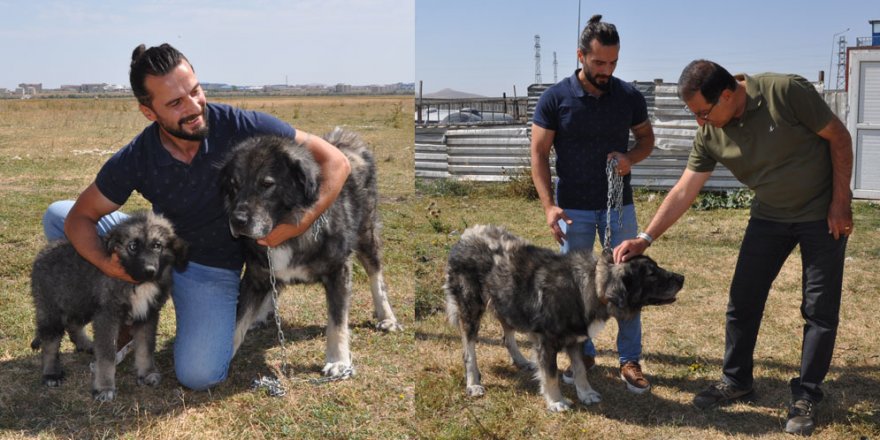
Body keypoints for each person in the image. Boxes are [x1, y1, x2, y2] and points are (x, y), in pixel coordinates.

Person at [42, 43, 351, 391]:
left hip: (210, 269)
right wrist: (106, 262)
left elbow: (336, 162)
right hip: (160, 249)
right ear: (148, 111)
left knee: (200, 374)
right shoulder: (139, 155)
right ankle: (125, 313)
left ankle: (167, 307)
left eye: (195, 91)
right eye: (175, 103)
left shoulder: (243, 125)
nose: (193, 108)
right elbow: (79, 217)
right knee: (58, 215)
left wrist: (300, 222)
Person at [614, 59, 853, 436]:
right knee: (742, 300)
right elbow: (684, 190)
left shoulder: (784, 92)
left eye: (703, 112)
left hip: (822, 215)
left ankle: (806, 394)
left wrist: (841, 203)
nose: (700, 122)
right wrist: (645, 238)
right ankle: (737, 378)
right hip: (769, 218)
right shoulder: (710, 132)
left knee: (819, 309)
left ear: (728, 94)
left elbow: (839, 137)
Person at [530, 14, 656, 394]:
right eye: (599, 62)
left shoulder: (629, 97)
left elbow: (647, 140)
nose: (607, 70)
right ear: (581, 55)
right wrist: (549, 207)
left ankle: (630, 359)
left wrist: (631, 158)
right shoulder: (556, 98)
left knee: (629, 279)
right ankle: (582, 352)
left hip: (619, 208)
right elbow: (538, 154)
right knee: (577, 287)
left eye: (614, 63)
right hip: (573, 208)